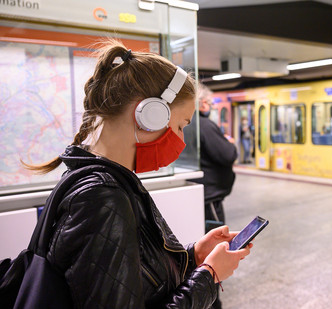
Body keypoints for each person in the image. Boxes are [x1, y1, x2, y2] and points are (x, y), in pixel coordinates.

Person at [23, 40, 251, 308]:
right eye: (180, 126)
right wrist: (209, 277)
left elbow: (133, 276)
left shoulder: (100, 181)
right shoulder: (102, 198)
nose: (181, 140)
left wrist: (192, 257)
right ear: (150, 114)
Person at [193, 83, 238, 309]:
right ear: (202, 104)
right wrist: (230, 144)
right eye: (209, 103)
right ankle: (212, 300)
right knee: (215, 244)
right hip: (209, 199)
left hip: (200, 194)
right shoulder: (205, 125)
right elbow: (227, 154)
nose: (209, 107)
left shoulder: (191, 125)